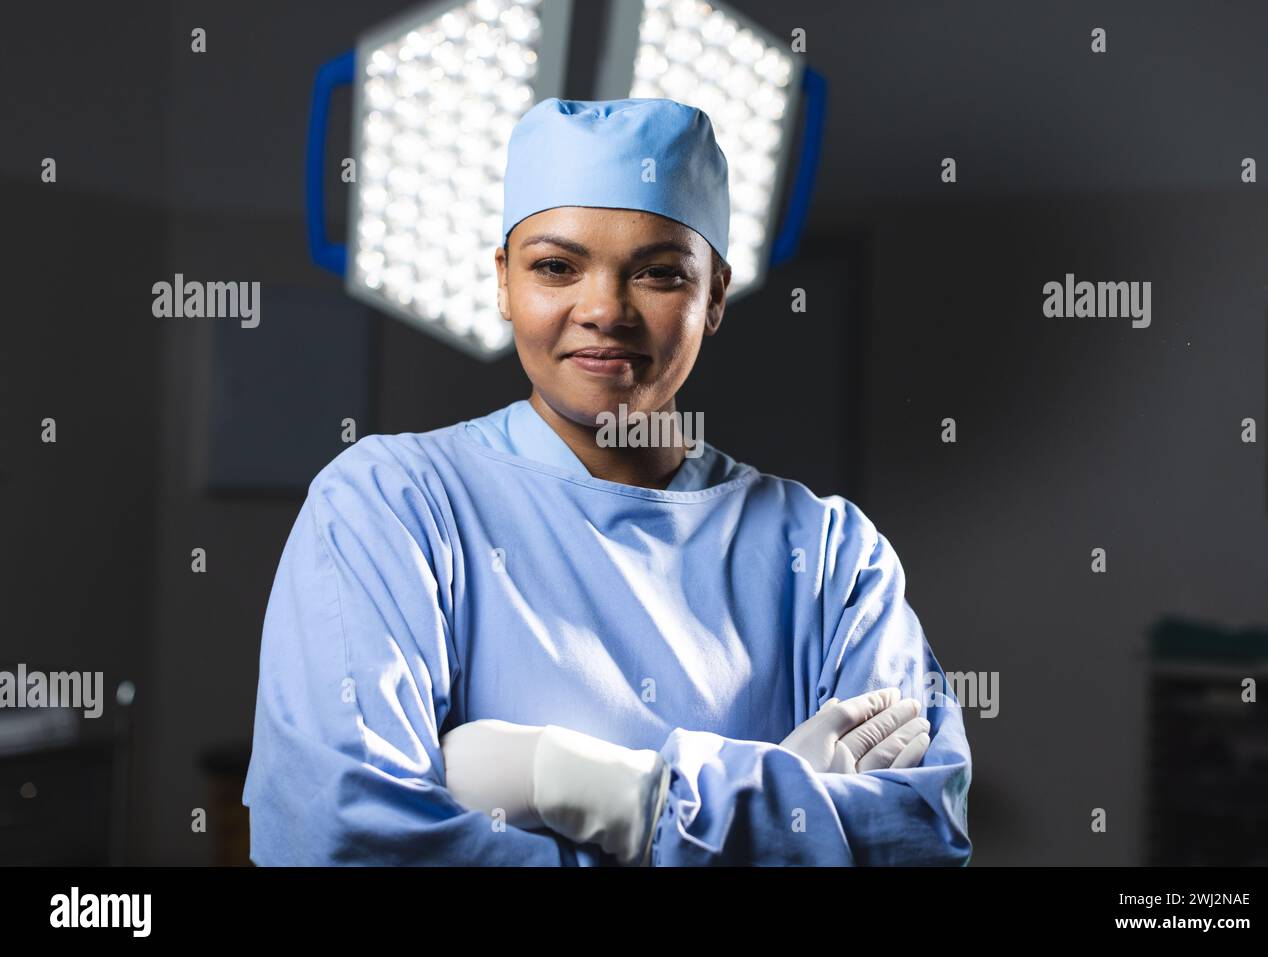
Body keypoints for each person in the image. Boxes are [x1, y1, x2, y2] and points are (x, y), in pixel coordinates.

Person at [242, 97, 972, 866]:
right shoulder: (391, 504)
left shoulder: (830, 557)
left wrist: (609, 791)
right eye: (556, 266)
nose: (604, 311)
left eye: (657, 274)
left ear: (715, 294)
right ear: (503, 281)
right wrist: (774, 804)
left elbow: (919, 841)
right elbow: (339, 839)